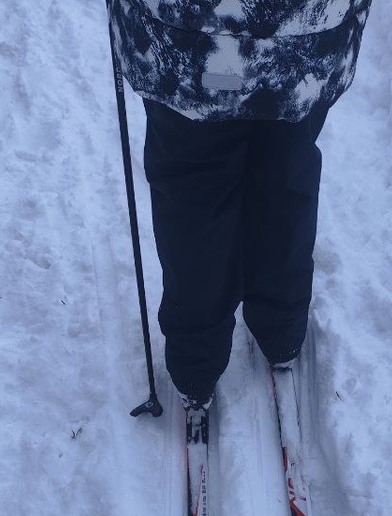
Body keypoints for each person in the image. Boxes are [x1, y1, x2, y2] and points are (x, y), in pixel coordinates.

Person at [109, 0, 373, 409]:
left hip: (188, 35)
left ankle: (195, 366)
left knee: (194, 191)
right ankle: (282, 330)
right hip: (308, 31)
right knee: (286, 174)